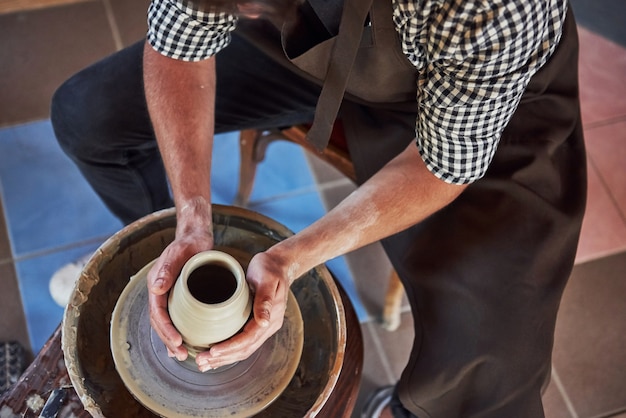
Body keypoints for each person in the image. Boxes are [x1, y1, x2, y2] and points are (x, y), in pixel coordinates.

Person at [50, 0, 587, 416]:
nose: (244, 12)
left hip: (473, 96)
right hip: (311, 57)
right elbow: (180, 42)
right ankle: (163, 258)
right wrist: (190, 215)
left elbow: (441, 163)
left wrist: (291, 258)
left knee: (491, 364)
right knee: (88, 115)